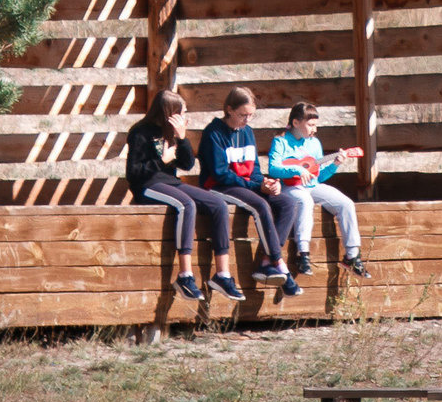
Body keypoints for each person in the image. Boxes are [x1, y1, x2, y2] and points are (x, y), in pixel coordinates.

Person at [125, 91, 242, 302]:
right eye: (182, 112)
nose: (185, 116)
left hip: (171, 183)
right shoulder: (140, 133)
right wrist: (162, 160)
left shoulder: (171, 132)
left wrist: (182, 137)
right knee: (186, 205)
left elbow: (187, 164)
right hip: (148, 185)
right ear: (169, 113)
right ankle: (185, 275)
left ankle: (222, 274)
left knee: (218, 204)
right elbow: (133, 173)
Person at [197, 87, 299, 294]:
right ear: (229, 110)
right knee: (260, 205)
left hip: (245, 185)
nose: (247, 120)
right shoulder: (213, 133)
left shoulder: (248, 132)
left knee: (288, 202)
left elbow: (255, 171)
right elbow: (220, 174)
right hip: (218, 186)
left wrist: (269, 183)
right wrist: (256, 186)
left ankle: (266, 261)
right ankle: (280, 265)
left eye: (251, 115)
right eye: (243, 115)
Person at [266, 103, 370, 277]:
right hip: (289, 186)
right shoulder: (281, 141)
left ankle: (352, 256)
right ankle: (303, 254)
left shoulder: (314, 143)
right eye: (311, 125)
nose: (315, 129)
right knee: (305, 201)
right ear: (296, 122)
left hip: (311, 186)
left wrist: (335, 164)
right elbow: (273, 168)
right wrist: (298, 170)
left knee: (346, 203)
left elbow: (318, 176)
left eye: (316, 125)